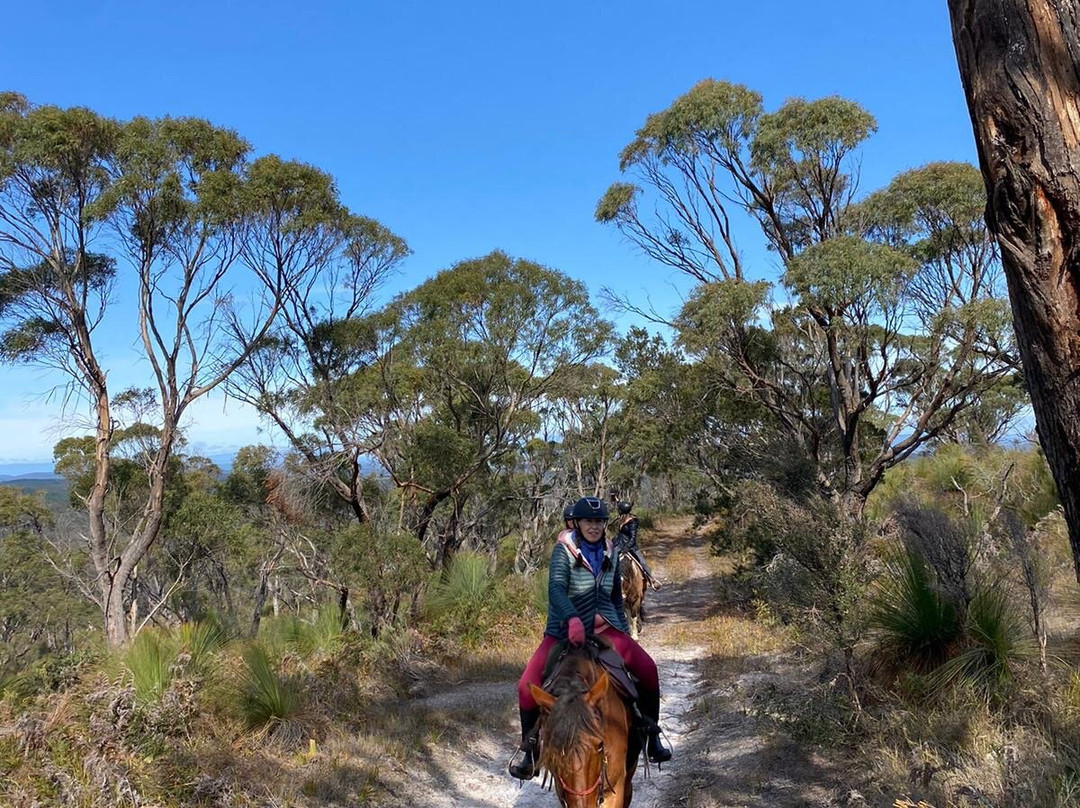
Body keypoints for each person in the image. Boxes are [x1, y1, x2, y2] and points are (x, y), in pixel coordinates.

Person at [509, 496, 672, 780]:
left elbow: (611, 596)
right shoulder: (564, 551)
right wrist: (572, 619)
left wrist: (620, 628)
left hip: (606, 629)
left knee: (647, 670)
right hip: (564, 631)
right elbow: (557, 590)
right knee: (526, 686)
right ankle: (529, 749)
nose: (594, 527)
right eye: (589, 521)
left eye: (599, 522)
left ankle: (651, 736)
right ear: (578, 523)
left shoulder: (610, 550)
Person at [611, 499, 659, 589]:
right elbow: (619, 504)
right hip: (617, 544)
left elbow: (633, 538)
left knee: (643, 563)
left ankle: (652, 579)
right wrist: (616, 499)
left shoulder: (633, 522)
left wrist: (627, 547)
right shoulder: (621, 519)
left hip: (630, 546)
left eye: (619, 510)